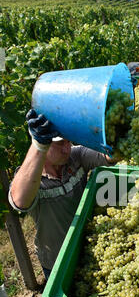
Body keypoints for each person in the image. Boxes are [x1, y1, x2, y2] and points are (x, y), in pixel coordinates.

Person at [8, 109, 119, 281]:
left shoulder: (76, 157)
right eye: (59, 144)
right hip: (57, 261)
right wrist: (38, 146)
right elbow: (20, 201)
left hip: (87, 247)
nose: (67, 148)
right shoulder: (32, 179)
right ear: (42, 144)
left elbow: (110, 155)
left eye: (68, 141)